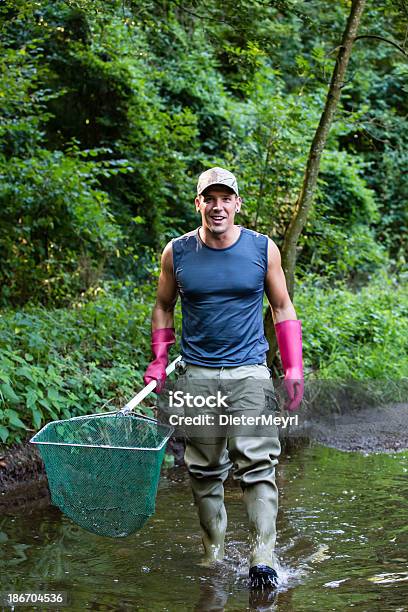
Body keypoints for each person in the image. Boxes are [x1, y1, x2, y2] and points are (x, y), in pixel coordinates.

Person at [143, 167, 304, 590]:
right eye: (209, 198)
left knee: (258, 464)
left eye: (225, 198)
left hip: (250, 372)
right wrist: (159, 359)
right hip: (197, 375)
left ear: (237, 203)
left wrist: (293, 366)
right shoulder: (176, 253)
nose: (218, 206)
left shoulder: (261, 248)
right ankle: (213, 553)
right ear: (198, 203)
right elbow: (163, 306)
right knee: (205, 470)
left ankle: (262, 557)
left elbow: (282, 306)